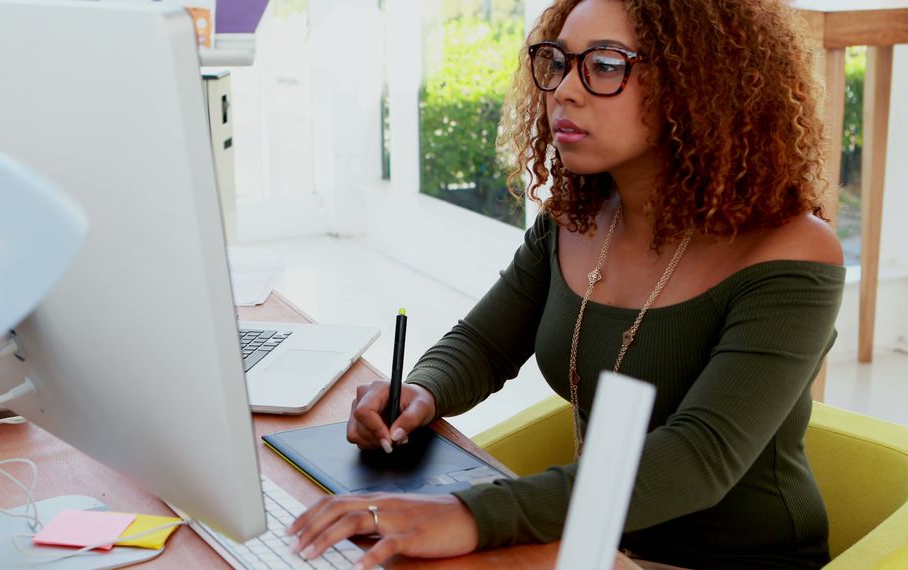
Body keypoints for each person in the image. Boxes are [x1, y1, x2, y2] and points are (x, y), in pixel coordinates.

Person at [288, 0, 845, 568]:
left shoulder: (793, 250)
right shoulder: (575, 220)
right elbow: (484, 344)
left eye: (604, 65)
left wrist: (474, 513)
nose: (564, 91)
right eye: (557, 62)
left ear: (699, 82)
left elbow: (700, 458)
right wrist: (419, 393)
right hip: (587, 541)